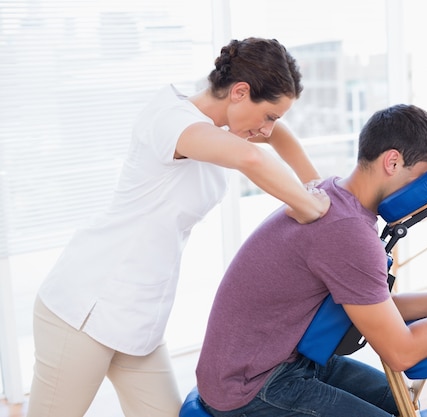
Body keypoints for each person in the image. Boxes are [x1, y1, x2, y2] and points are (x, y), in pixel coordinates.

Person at [27, 37, 330, 417]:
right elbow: (252, 159)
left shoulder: (215, 122)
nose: (269, 129)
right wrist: (312, 210)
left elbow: (275, 138)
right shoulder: (174, 122)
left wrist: (318, 188)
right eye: (269, 116)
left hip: (138, 319)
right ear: (239, 91)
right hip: (85, 308)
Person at [195, 104, 427, 417]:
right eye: (425, 180)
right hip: (250, 385)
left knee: (399, 405)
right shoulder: (347, 233)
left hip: (284, 359)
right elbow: (401, 352)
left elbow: (379, 306)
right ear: (393, 162)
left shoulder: (336, 197)